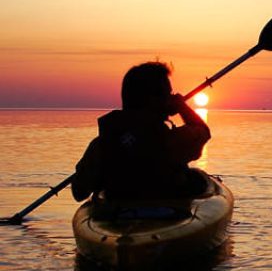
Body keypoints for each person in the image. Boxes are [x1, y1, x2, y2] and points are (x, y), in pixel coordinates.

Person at [72, 61, 211, 201]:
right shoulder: (171, 140)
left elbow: (79, 192)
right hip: (165, 214)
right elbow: (203, 132)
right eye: (168, 94)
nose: (171, 98)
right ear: (153, 99)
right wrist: (181, 106)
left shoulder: (102, 144)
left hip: (116, 215)